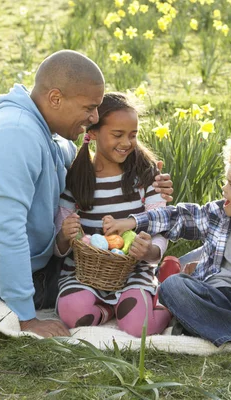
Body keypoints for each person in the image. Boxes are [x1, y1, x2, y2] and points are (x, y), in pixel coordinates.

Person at [0, 51, 173, 338]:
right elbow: (6, 232)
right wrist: (26, 319)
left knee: (111, 282)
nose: (93, 118)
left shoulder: (47, 131)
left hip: (38, 261)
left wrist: (149, 177)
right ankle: (158, 289)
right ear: (55, 98)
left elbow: (83, 162)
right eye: (89, 108)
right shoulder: (14, 136)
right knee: (77, 303)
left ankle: (153, 285)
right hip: (1, 275)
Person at [104, 131, 231, 359]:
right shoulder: (218, 213)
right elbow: (177, 217)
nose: (224, 189)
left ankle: (199, 322)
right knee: (172, 286)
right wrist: (132, 221)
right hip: (212, 293)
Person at [54, 92, 171, 337]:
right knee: (72, 313)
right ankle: (109, 309)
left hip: (133, 270)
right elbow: (60, 241)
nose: (127, 143)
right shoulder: (76, 179)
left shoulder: (145, 177)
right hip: (85, 273)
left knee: (138, 327)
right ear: (93, 133)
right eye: (117, 135)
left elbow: (161, 225)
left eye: (133, 135)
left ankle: (168, 301)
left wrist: (149, 251)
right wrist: (64, 236)